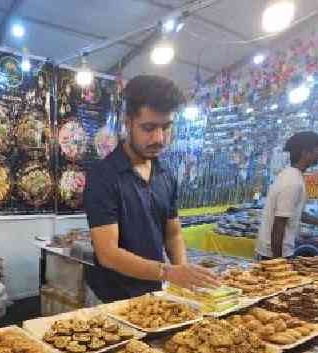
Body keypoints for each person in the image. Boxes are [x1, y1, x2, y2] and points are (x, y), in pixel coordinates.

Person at [83, 75, 220, 303]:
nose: (159, 138)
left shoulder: (166, 174)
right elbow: (107, 254)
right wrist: (169, 272)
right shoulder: (103, 176)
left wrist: (182, 273)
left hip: (154, 293)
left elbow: (173, 233)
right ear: (128, 123)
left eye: (166, 127)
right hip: (111, 299)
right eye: (148, 128)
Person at [255, 131, 318, 260]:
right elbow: (279, 224)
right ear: (305, 152)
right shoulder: (292, 182)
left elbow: (294, 213)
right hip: (274, 253)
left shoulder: (292, 175)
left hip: (277, 250)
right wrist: (278, 264)